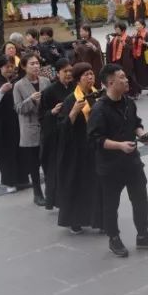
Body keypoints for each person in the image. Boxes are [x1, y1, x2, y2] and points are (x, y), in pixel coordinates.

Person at [87, 64, 148, 257]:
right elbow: (95, 140)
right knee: (111, 204)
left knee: (141, 200)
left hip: (132, 163)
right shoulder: (99, 109)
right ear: (110, 83)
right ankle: (114, 238)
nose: (127, 80)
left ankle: (143, 235)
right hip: (110, 166)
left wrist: (143, 134)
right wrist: (119, 145)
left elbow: (136, 124)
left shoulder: (129, 102)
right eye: (122, 77)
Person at [57, 62, 104, 233]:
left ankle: (101, 220)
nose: (90, 78)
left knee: (99, 185)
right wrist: (73, 112)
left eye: (92, 74)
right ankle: (75, 220)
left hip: (96, 148)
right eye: (86, 75)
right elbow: (61, 128)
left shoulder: (99, 95)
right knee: (78, 185)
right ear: (78, 80)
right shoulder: (71, 99)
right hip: (77, 150)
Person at [14, 53, 52, 206]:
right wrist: (31, 100)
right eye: (32, 64)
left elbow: (51, 101)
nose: (36, 66)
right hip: (30, 129)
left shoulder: (46, 81)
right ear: (24, 66)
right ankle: (37, 193)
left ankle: (51, 192)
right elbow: (18, 108)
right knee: (34, 164)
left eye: (37, 63)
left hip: (46, 127)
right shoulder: (19, 85)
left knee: (48, 163)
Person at [38, 57, 74, 210]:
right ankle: (56, 200)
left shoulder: (75, 88)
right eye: (65, 71)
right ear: (57, 73)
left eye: (70, 71)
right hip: (54, 136)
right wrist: (52, 112)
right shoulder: (49, 91)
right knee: (55, 170)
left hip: (71, 135)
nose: (68, 74)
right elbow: (41, 116)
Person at [0, 56, 25, 191]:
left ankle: (21, 179)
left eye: (11, 66)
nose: (9, 69)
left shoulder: (17, 81)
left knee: (20, 152)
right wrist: (1, 92)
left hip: (17, 122)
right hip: (2, 124)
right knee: (6, 155)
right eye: (6, 67)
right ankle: (9, 182)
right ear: (0, 68)